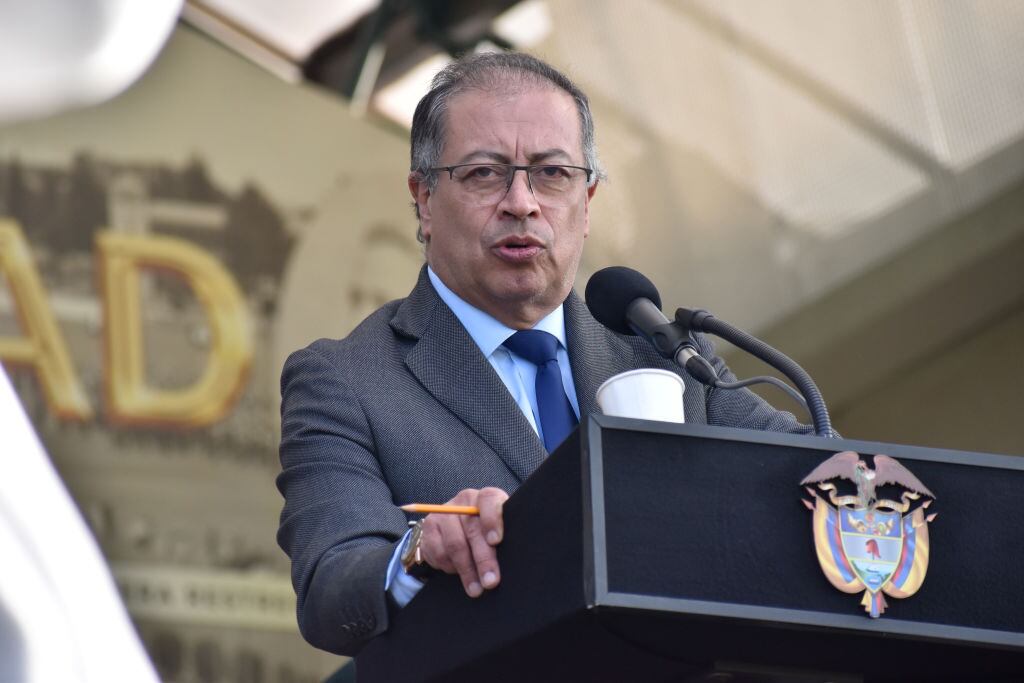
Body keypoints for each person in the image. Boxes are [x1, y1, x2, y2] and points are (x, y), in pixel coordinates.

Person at [276, 51, 811, 656]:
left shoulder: (663, 352)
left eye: (551, 174)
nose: (522, 202)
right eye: (484, 173)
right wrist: (420, 550)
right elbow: (331, 584)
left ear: (588, 203)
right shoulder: (345, 379)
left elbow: (808, 477)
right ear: (423, 200)